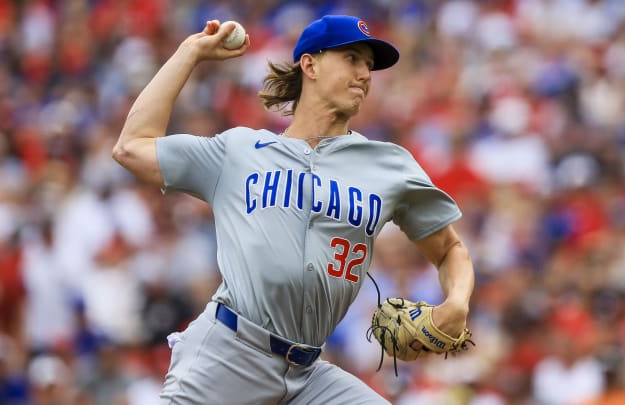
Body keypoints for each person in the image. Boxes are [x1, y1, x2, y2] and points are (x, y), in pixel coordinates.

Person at [112, 14, 475, 404]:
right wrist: (190, 52)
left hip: (308, 375)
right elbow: (131, 147)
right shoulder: (239, 151)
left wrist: (457, 301)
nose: (365, 74)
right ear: (310, 64)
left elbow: (450, 250)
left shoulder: (389, 165)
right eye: (352, 58)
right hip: (229, 356)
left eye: (369, 65)